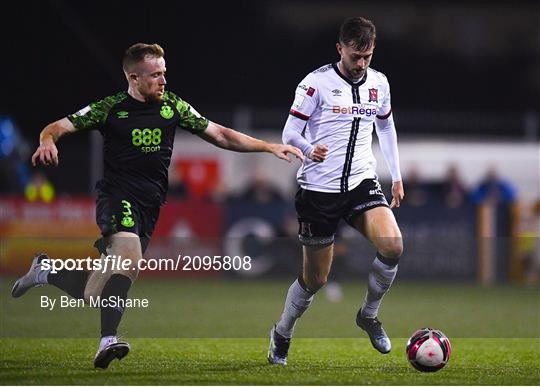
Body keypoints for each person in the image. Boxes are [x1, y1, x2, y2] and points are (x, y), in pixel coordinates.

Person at [11, 43, 302, 369]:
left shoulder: (173, 106)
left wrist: (267, 147)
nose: (163, 80)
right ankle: (107, 340)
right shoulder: (110, 108)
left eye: (164, 73)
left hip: (150, 206)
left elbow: (219, 134)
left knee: (97, 291)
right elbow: (58, 127)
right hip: (117, 197)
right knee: (130, 259)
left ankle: (45, 272)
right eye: (155, 75)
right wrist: (47, 141)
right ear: (134, 78)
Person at [268, 17, 404, 365]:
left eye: (368, 56)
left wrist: (397, 175)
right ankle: (282, 331)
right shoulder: (316, 84)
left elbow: (385, 127)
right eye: (356, 56)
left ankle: (368, 315)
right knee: (316, 280)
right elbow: (289, 134)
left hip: (361, 182)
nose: (361, 64)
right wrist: (309, 149)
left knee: (393, 245)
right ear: (340, 48)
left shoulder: (379, 83)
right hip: (319, 190)